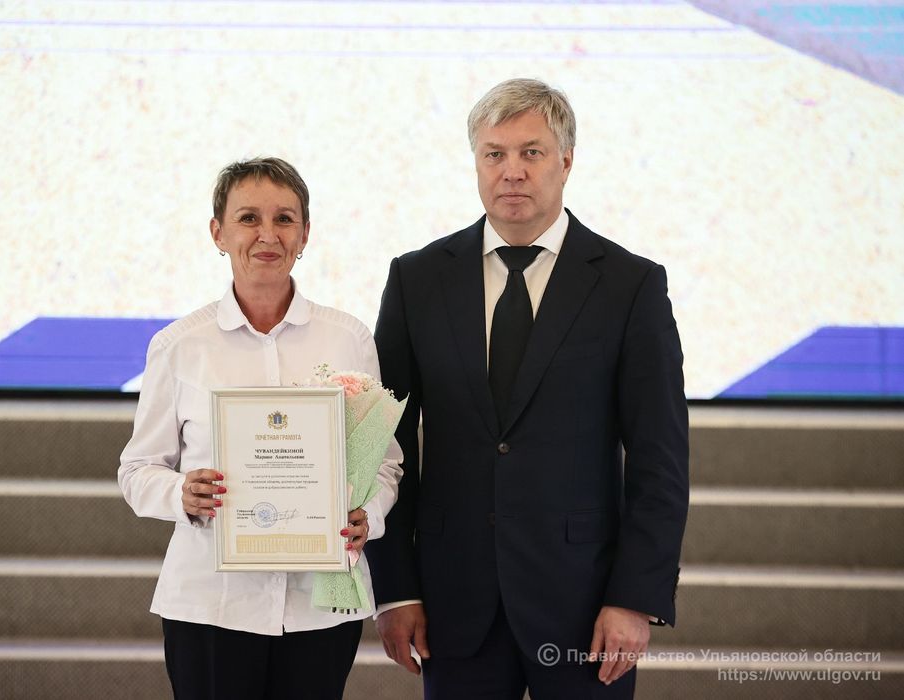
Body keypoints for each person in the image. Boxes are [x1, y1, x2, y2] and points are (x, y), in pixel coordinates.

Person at [364, 78, 689, 699]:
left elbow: (660, 458)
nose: (511, 171)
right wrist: (396, 589)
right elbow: (386, 446)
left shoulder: (630, 286)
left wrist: (634, 597)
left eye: (531, 152)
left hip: (586, 605)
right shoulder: (417, 279)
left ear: (566, 160)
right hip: (452, 603)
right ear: (476, 163)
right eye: (495, 154)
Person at [118, 157, 403, 700]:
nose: (268, 235)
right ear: (218, 233)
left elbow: (385, 463)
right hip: (210, 605)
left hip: (320, 608)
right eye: (248, 218)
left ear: (305, 234)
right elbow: (136, 471)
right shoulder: (180, 346)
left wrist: (369, 515)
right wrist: (182, 493)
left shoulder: (348, 339)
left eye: (284, 219)